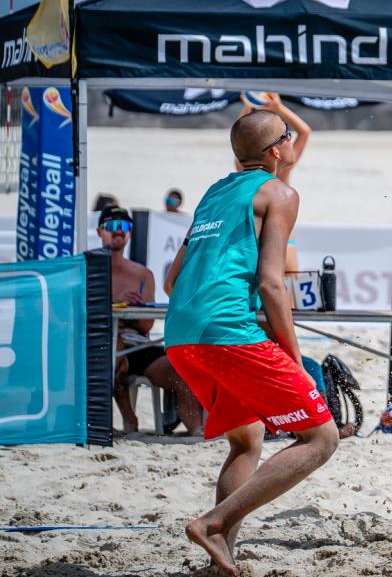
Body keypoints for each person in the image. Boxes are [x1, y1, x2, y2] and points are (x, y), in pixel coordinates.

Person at [163, 110, 337, 575]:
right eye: (288, 135)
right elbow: (271, 284)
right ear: (277, 150)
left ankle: (222, 561)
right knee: (321, 437)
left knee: (247, 438)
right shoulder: (280, 193)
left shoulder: (215, 193)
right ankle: (214, 524)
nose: (294, 140)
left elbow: (172, 280)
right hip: (225, 331)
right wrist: (295, 361)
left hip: (179, 334)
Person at [103, 206, 203, 435]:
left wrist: (131, 311)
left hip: (138, 345)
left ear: (130, 232)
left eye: (124, 226)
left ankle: (197, 430)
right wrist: (116, 302)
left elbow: (147, 325)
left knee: (182, 367)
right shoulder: (90, 271)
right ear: (100, 231)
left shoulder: (142, 274)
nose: (118, 231)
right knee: (114, 348)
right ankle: (129, 420)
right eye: (112, 226)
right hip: (104, 346)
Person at [237, 92, 310, 272]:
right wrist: (279, 108)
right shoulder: (283, 167)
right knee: (290, 287)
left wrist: (247, 106)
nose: (288, 139)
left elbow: (241, 138)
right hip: (285, 241)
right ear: (277, 151)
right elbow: (305, 131)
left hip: (255, 242)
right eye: (285, 137)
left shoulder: (244, 169)